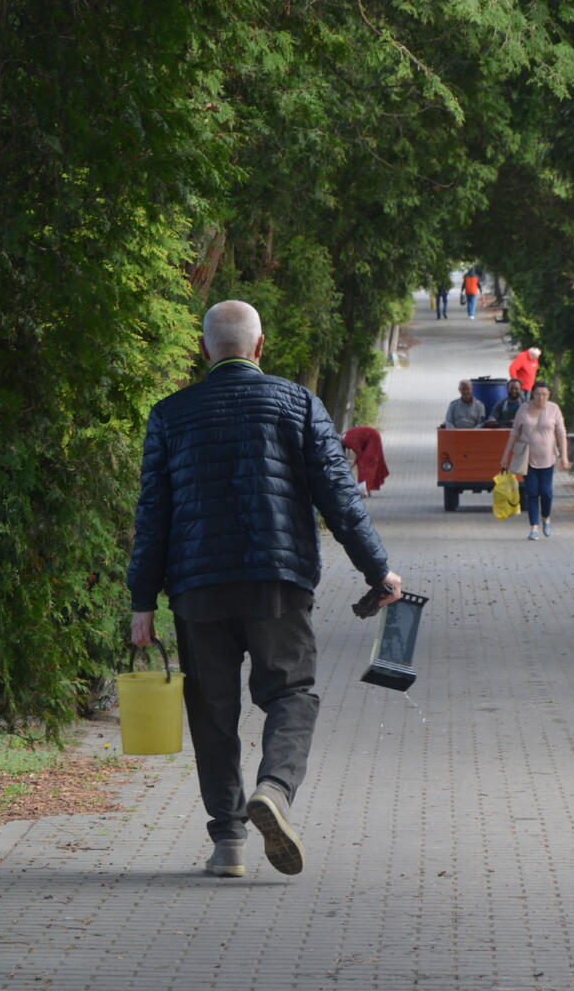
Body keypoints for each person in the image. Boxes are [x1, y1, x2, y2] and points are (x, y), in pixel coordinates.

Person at [127, 300, 403, 879]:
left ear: (203, 349)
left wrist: (142, 601)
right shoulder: (297, 403)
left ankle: (228, 842)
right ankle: (274, 789)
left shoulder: (170, 415)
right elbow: (339, 496)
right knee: (291, 692)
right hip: (278, 580)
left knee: (212, 713)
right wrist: (377, 570)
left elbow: (153, 514)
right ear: (259, 347)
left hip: (198, 587)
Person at [500, 380, 569, 541]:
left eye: (544, 394)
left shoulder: (554, 409)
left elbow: (561, 434)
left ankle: (546, 518)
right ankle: (534, 528)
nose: (541, 397)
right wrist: (505, 456)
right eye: (538, 394)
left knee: (546, 492)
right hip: (527, 459)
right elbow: (514, 433)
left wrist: (564, 457)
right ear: (532, 394)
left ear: (549, 394)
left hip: (548, 459)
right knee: (532, 492)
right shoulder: (523, 409)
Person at [342, 425, 389, 495]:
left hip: (373, 438)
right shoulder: (346, 436)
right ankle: (366, 488)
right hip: (370, 437)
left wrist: (352, 465)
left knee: (366, 463)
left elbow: (359, 454)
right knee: (364, 462)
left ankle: (365, 488)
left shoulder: (349, 441)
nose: (348, 448)